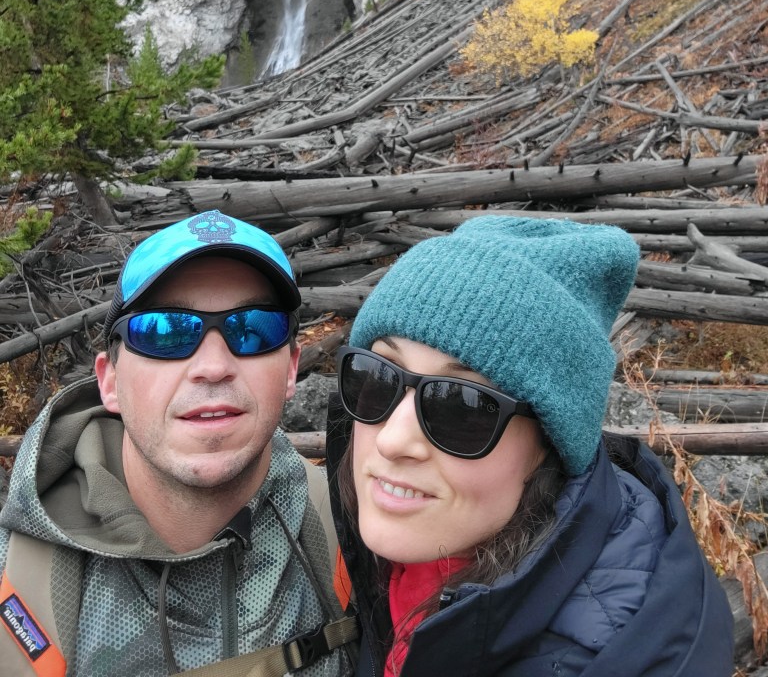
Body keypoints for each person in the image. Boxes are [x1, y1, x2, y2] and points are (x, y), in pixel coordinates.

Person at [325, 216, 735, 677]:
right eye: (377, 377)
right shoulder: (406, 555)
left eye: (463, 406)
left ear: (550, 447)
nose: (393, 439)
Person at [0, 209, 356, 677]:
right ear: (110, 383)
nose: (213, 365)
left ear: (291, 368)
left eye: (252, 329)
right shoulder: (20, 580)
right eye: (165, 332)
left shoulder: (349, 533)